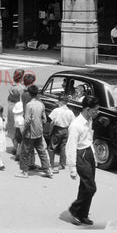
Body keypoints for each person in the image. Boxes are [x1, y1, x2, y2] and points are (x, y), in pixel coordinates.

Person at [65, 95, 101, 226]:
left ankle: (83, 215)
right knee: (91, 188)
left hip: (89, 153)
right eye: (95, 109)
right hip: (81, 155)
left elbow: (89, 139)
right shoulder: (75, 125)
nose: (98, 112)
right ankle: (74, 209)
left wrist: (94, 157)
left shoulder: (89, 119)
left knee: (84, 187)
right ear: (87, 109)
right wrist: (72, 168)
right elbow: (71, 146)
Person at [20, 85, 53, 178]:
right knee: (41, 151)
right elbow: (44, 119)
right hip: (39, 131)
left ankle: (24, 172)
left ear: (29, 94)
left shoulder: (29, 105)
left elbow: (27, 120)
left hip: (30, 132)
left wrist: (23, 129)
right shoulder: (41, 104)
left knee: (25, 151)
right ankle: (48, 169)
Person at [47, 95, 76, 173]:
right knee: (63, 147)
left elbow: (52, 122)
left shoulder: (56, 110)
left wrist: (50, 131)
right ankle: (62, 164)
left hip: (57, 129)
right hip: (66, 130)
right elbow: (72, 123)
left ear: (60, 102)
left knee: (51, 147)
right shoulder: (70, 112)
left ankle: (51, 164)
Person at [6, 69, 25, 155]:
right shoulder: (21, 88)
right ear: (21, 77)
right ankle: (17, 149)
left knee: (11, 126)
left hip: (10, 106)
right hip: (18, 108)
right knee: (18, 127)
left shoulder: (11, 85)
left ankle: (14, 146)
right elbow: (22, 100)